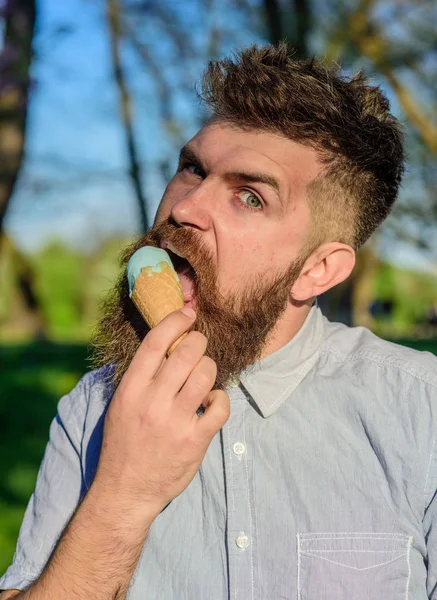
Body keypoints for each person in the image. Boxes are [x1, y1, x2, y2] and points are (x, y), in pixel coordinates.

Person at [1, 43, 437, 600]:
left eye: (250, 197)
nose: (184, 208)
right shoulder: (92, 408)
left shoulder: (421, 413)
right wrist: (121, 497)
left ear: (318, 270)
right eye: (192, 169)